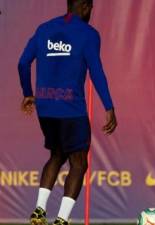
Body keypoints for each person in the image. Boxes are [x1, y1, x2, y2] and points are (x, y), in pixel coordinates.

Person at [18, 0, 117, 224]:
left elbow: (23, 63)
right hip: (71, 108)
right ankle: (62, 220)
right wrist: (109, 106)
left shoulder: (44, 29)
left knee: (56, 155)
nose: (91, 12)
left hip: (45, 107)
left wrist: (28, 92)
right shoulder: (89, 34)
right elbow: (97, 72)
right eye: (91, 8)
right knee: (79, 162)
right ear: (84, 6)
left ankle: (39, 210)